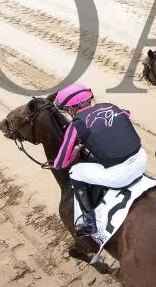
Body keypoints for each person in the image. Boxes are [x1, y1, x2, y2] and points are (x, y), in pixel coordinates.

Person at [51, 84, 148, 240]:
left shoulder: (75, 126)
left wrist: (75, 150)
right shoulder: (112, 106)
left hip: (120, 176)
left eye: (67, 110)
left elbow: (59, 164)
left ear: (71, 109)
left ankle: (88, 221)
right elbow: (127, 114)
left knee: (75, 171)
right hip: (141, 160)